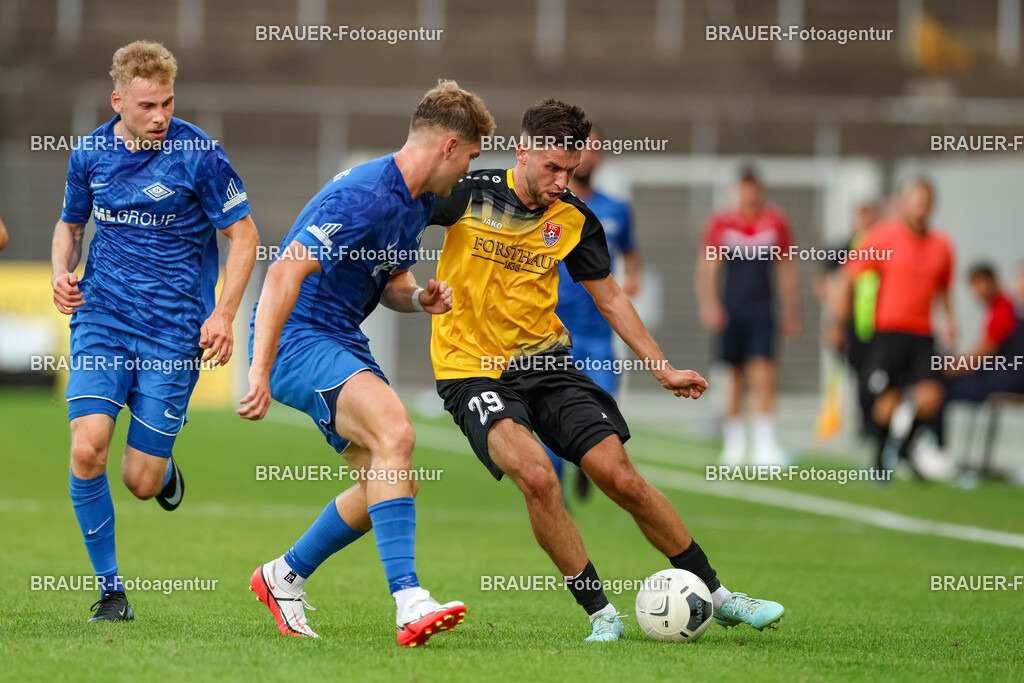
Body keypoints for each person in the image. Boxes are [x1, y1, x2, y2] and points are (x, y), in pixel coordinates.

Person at [430, 99, 784, 642]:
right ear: (521, 152)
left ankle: (718, 595)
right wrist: (395, 283)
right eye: (552, 168)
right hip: (470, 370)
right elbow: (396, 214)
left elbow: (612, 297)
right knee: (537, 476)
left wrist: (662, 368)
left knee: (621, 477)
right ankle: (602, 615)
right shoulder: (467, 192)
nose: (561, 181)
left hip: (547, 363)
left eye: (570, 170)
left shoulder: (573, 217)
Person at [238, 80, 494, 646]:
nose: (469, 171)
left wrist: (417, 297)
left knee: (391, 479)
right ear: (449, 146)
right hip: (298, 336)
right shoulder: (365, 195)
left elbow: (391, 283)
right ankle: (408, 601)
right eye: (472, 157)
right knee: (396, 433)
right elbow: (282, 273)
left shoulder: (419, 201)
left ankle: (283, 575)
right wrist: (258, 371)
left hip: (338, 337)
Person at [51, 41, 259, 622]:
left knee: (140, 481)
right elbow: (69, 227)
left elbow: (244, 237)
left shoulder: (200, 155)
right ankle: (112, 591)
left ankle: (164, 468)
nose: (160, 116)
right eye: (147, 105)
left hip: (173, 335)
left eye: (167, 102)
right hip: (102, 319)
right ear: (119, 100)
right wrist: (60, 273)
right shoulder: (90, 153)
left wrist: (222, 313)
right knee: (87, 446)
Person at [830, 179, 956, 477]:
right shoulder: (884, 237)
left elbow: (944, 290)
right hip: (889, 331)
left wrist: (951, 322)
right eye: (915, 200)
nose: (920, 206)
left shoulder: (942, 246)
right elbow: (849, 276)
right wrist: (839, 322)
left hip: (924, 333)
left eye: (925, 201)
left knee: (932, 395)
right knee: (888, 398)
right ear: (904, 203)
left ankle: (904, 446)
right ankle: (880, 461)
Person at [542, 125, 641, 501]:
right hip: (554, 335)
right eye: (584, 149)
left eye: (597, 149)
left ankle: (586, 464)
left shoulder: (617, 209)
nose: (590, 156)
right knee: (553, 415)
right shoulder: (550, 204)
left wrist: (633, 279)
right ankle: (557, 490)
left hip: (600, 335)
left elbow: (632, 253)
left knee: (601, 417)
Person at [696, 168, 801, 466]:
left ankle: (765, 445)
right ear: (737, 191)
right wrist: (710, 304)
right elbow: (708, 267)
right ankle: (735, 443)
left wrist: (792, 309)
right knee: (734, 376)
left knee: (764, 374)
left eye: (755, 189)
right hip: (731, 312)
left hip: (763, 312)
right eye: (744, 189)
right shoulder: (722, 223)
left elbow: (786, 267)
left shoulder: (775, 223)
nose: (750, 195)